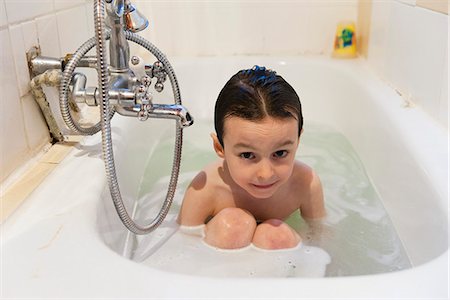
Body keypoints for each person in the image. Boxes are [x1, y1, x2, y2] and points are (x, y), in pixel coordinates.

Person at [177, 66, 325, 250]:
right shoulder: (207, 188)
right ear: (219, 147)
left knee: (276, 236)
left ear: (298, 140)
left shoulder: (306, 183)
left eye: (280, 153)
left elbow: (319, 237)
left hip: (278, 263)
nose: (265, 174)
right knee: (233, 226)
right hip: (221, 266)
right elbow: (183, 245)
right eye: (247, 155)